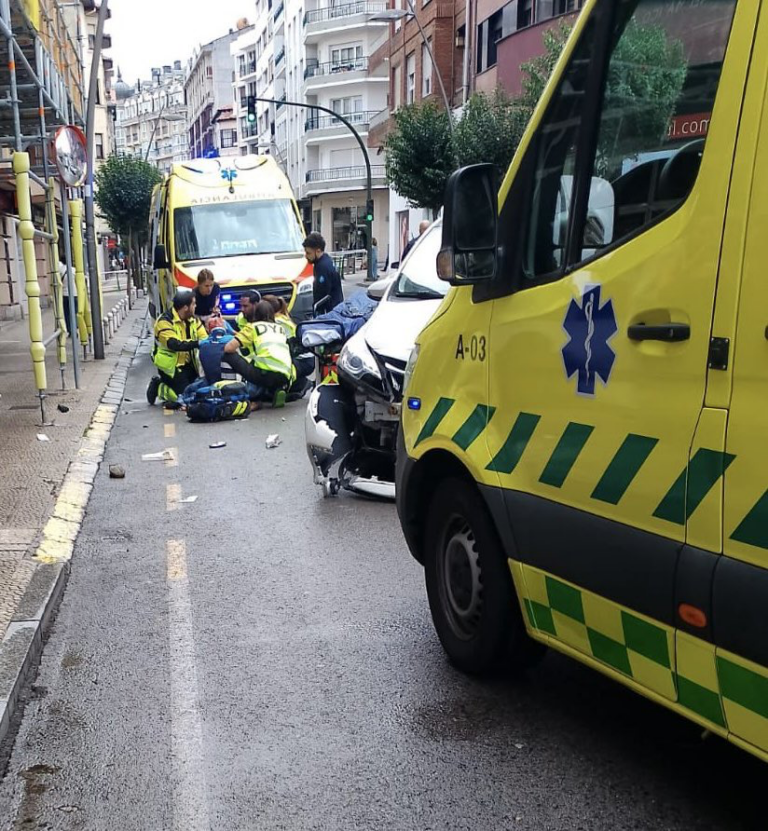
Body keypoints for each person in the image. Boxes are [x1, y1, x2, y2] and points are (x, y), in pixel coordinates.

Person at [224, 299, 295, 409]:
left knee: (227, 355)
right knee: (258, 363)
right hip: (286, 376)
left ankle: (250, 396)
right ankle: (276, 390)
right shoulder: (280, 329)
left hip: (264, 374)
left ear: (255, 314)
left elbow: (229, 348)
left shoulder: (253, 327)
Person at [146, 289, 206, 406]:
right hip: (170, 367)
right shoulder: (164, 322)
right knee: (183, 398)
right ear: (185, 307)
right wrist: (197, 343)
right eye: (193, 304)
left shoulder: (193, 320)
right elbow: (174, 344)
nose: (196, 306)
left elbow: (204, 337)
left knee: (198, 392)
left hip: (189, 365)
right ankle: (159, 387)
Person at [303, 232, 343, 315]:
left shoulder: (322, 267)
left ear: (318, 251)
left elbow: (322, 294)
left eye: (308, 253)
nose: (306, 256)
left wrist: (317, 311)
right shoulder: (326, 259)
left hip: (330, 312)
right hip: (337, 307)